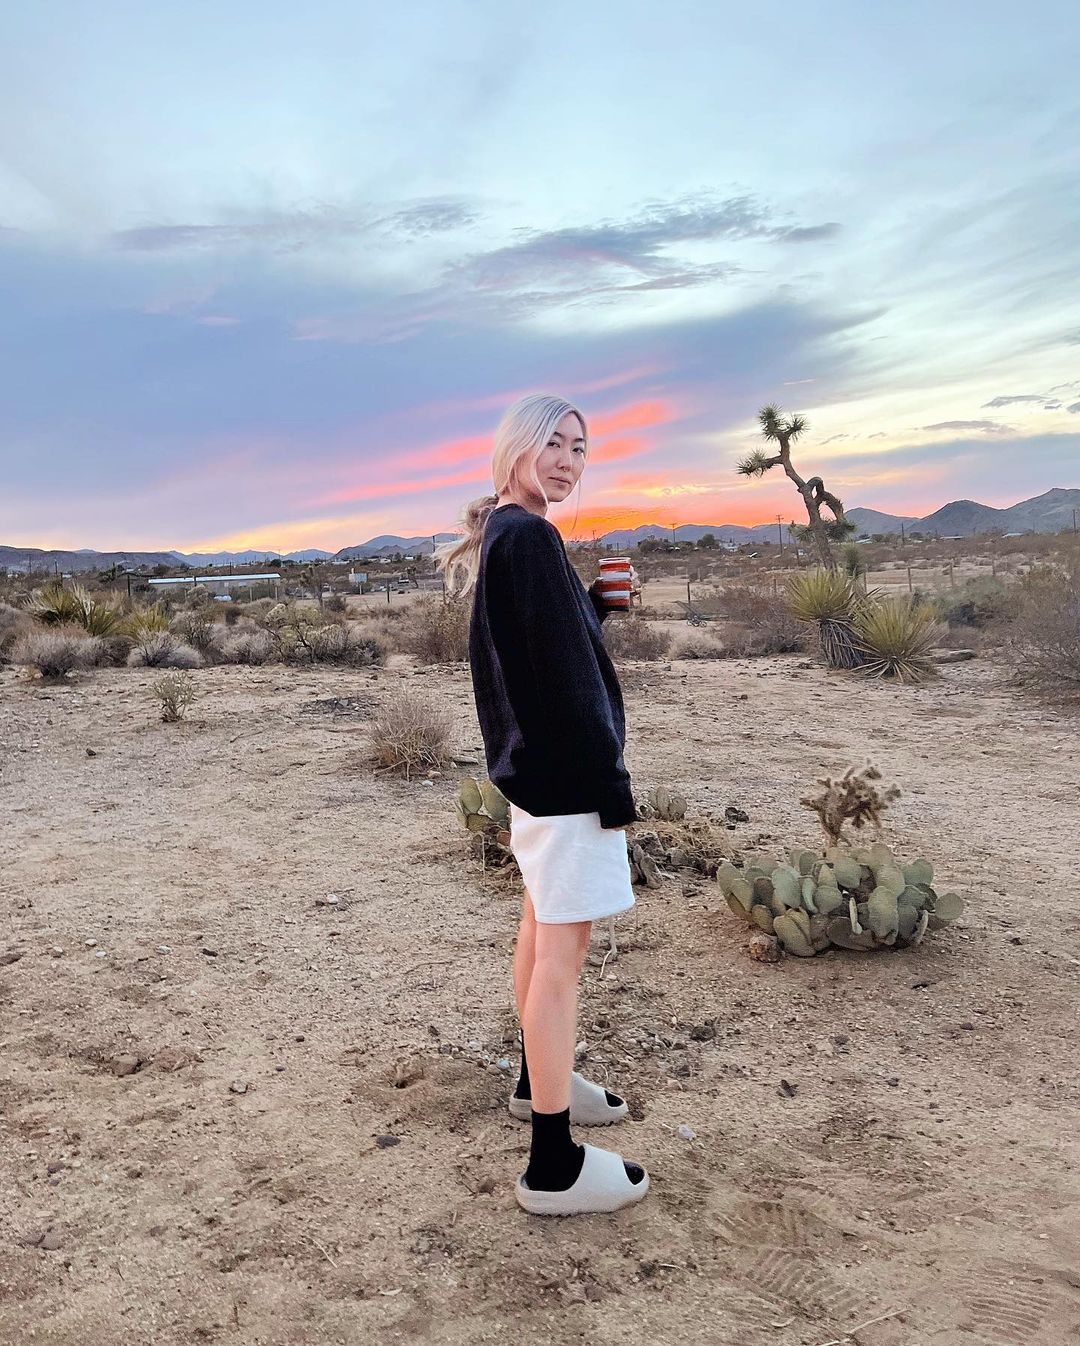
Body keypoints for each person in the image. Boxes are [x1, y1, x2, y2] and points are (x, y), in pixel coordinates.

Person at [436, 393, 650, 1217]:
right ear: (517, 448)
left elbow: (541, 643)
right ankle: (553, 1166)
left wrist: (591, 606)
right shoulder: (528, 535)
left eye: (579, 448)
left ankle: (537, 1082)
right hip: (565, 780)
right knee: (563, 958)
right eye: (553, 443)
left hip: (533, 772)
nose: (567, 460)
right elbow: (565, 684)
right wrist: (610, 785)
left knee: (538, 927)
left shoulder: (510, 531)